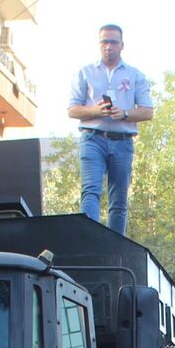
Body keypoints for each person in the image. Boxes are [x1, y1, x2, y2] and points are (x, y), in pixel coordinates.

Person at [67, 23, 154, 234]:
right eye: (104, 42)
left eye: (113, 42)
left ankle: (116, 247)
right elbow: (72, 110)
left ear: (121, 45)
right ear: (99, 44)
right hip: (92, 138)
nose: (108, 46)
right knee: (90, 192)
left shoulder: (135, 75)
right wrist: (95, 110)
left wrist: (124, 113)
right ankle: (90, 238)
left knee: (119, 199)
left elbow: (147, 111)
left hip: (122, 141)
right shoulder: (85, 72)